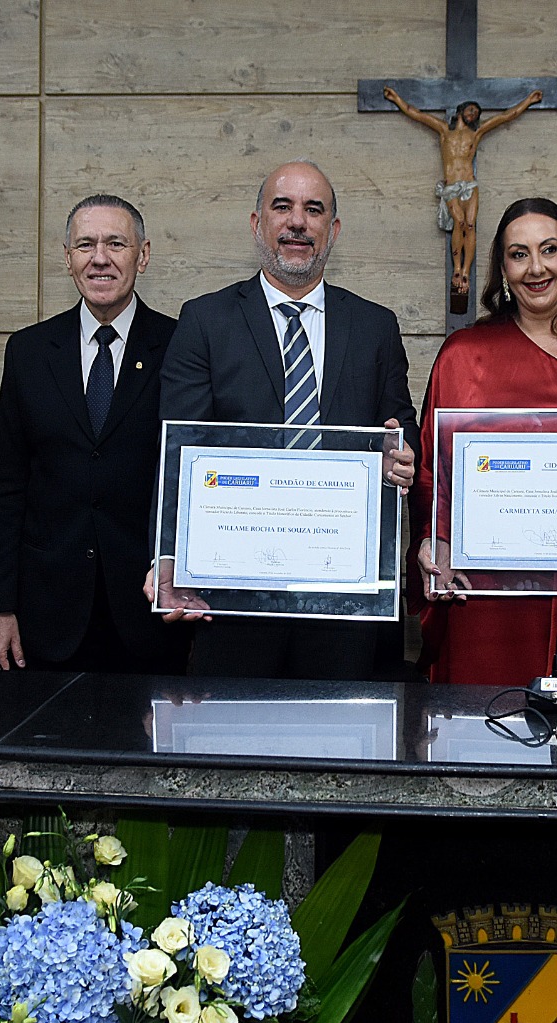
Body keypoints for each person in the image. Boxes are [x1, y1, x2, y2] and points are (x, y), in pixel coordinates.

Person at [152, 160, 419, 679]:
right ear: (258, 224)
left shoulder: (375, 326)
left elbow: (401, 430)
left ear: (332, 230)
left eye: (313, 210)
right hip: (234, 597)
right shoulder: (205, 321)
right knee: (234, 726)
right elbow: (177, 455)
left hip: (346, 596)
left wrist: (402, 456)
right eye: (283, 207)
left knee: (345, 729)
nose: (298, 222)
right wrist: (167, 555)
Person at [411, 197, 557, 688]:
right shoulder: (463, 355)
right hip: (483, 593)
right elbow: (433, 474)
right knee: (481, 720)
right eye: (518, 254)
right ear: (502, 270)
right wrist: (434, 540)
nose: (536, 268)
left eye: (549, 250)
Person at [0, 194, 182, 674]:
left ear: (143, 255)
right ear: (67, 257)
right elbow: (7, 487)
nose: (100, 258)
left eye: (116, 244)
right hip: (47, 610)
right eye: (86, 245)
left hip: (150, 609)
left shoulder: (180, 347)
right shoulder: (29, 351)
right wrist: (0, 606)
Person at [382, 87, 542, 300]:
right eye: (470, 110)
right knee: (459, 222)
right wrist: (396, 98)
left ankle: (466, 270)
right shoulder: (444, 131)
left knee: (470, 224)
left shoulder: (476, 133)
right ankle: (457, 268)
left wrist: (528, 101)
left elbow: (506, 116)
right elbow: (416, 113)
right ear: (460, 111)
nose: (473, 114)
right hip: (451, 186)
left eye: (476, 112)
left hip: (469, 185)